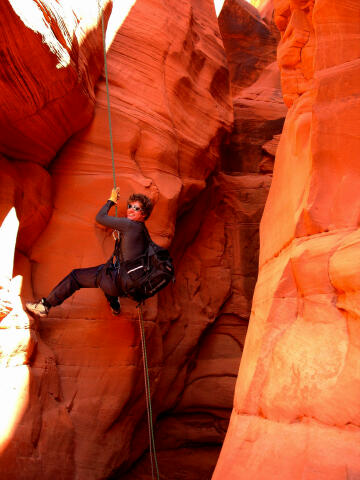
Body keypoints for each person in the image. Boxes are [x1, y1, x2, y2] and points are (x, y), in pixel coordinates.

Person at [25, 188, 153, 317]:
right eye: (130, 206)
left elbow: (100, 217)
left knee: (77, 276)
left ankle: (45, 306)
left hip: (117, 283)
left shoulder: (130, 225)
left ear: (144, 214)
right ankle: (115, 306)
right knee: (106, 270)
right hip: (130, 287)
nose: (131, 210)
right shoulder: (144, 232)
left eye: (136, 208)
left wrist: (111, 201)